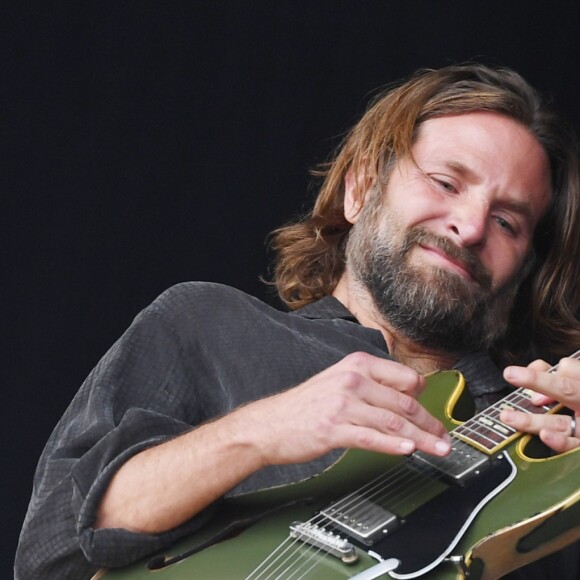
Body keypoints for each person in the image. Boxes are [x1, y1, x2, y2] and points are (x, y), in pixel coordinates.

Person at [16, 63, 580, 579]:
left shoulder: (555, 442)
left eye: (507, 221)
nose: (471, 226)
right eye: (446, 183)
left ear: (525, 266)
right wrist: (260, 432)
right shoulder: (208, 326)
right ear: (360, 189)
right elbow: (50, 556)